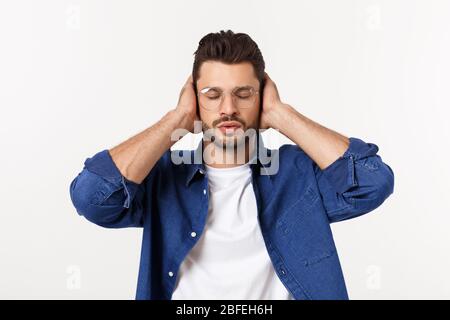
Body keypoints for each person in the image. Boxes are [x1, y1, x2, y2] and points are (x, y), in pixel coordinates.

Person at [69, 30, 394, 300]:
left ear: (262, 96)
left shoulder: (297, 174)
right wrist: (177, 119)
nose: (228, 108)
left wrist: (281, 115)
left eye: (244, 94)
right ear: (194, 98)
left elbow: (372, 182)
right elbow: (92, 197)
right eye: (212, 95)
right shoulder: (162, 177)